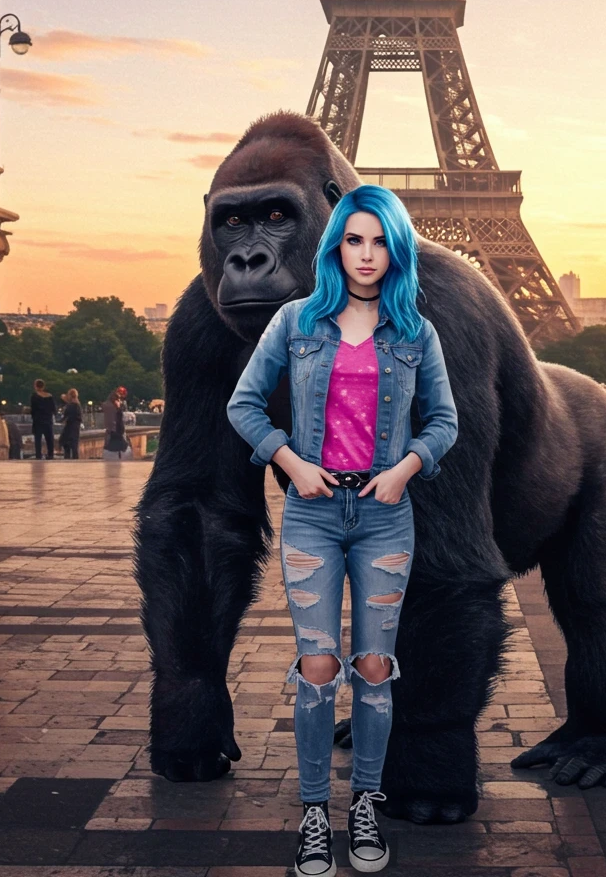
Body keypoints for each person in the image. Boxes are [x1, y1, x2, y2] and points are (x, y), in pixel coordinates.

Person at [227, 185, 458, 877]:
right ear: (335, 247)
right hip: (314, 514)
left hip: (385, 515)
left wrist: (405, 469)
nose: (366, 254)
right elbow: (244, 405)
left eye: (380, 242)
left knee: (376, 670)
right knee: (319, 668)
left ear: (397, 251)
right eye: (354, 239)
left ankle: (364, 805)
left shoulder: (415, 332)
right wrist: (291, 462)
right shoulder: (296, 321)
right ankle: (312, 816)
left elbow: (445, 421)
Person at [29, 379, 57, 460]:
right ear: (43, 386)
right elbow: (54, 409)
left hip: (38, 420)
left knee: (38, 439)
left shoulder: (34, 396)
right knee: (49, 438)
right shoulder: (50, 396)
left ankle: (38, 455)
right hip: (48, 420)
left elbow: (33, 409)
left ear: (35, 386)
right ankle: (50, 454)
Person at [102, 389, 131, 460]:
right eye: (119, 400)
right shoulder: (116, 410)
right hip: (117, 441)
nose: (120, 402)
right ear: (116, 401)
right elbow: (120, 427)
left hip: (110, 436)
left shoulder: (107, 406)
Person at [60, 388, 83, 460]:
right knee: (74, 445)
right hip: (76, 427)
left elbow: (66, 415)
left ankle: (67, 458)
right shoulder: (77, 404)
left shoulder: (71, 405)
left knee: (64, 442)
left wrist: (61, 421)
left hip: (70, 426)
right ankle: (74, 459)